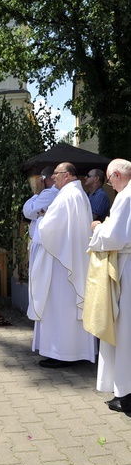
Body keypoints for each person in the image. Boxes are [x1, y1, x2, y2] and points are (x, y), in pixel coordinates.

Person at [30, 162, 97, 368]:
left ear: (67, 175)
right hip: (69, 259)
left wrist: (41, 218)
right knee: (65, 307)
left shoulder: (67, 196)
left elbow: (50, 228)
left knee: (59, 306)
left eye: (57, 175)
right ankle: (70, 351)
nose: (53, 179)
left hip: (61, 264)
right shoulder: (77, 194)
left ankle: (61, 353)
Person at [87, 159, 131, 412]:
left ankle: (126, 392)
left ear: (115, 174)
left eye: (109, 178)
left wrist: (96, 226)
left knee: (123, 327)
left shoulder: (126, 197)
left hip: (126, 265)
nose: (109, 184)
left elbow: (114, 236)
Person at [23, 166, 59, 321]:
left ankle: (38, 314)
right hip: (44, 243)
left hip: (42, 244)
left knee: (39, 283)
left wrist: (37, 193)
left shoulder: (48, 193)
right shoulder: (56, 194)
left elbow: (27, 211)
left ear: (45, 180)